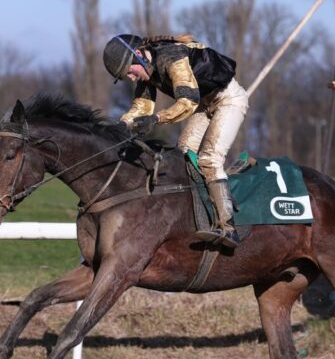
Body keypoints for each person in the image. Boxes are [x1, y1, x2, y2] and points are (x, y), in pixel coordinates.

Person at [103, 33, 249, 248]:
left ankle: (228, 227)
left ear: (138, 55)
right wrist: (121, 127)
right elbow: (141, 107)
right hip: (204, 104)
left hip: (228, 100)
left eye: (129, 72)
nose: (131, 78)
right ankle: (196, 215)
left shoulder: (172, 56)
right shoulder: (147, 68)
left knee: (209, 159)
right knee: (184, 155)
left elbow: (188, 102)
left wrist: (157, 119)